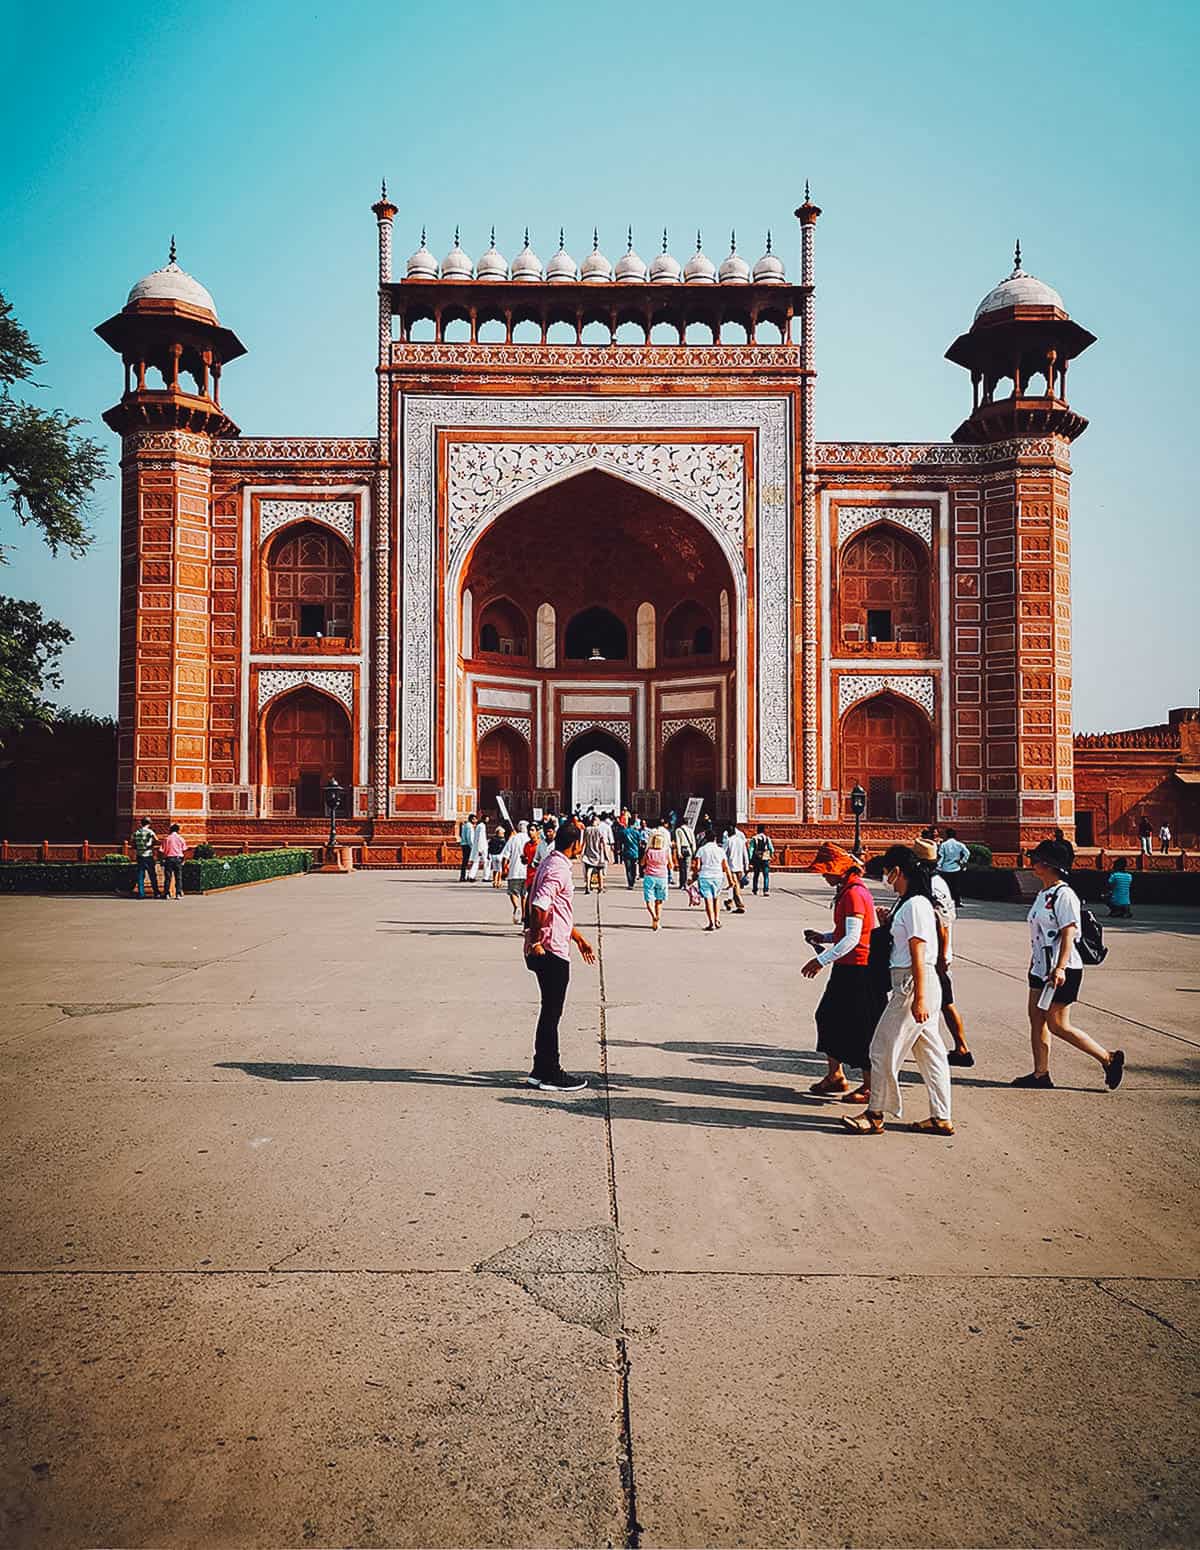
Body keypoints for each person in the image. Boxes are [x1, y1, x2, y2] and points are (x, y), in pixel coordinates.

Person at [843, 845, 954, 1136]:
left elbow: (919, 949)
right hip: (918, 981)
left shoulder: (915, 904)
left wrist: (917, 997)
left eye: (887, 870)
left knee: (881, 1048)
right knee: (931, 1053)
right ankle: (941, 1116)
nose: (884, 876)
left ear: (898, 871)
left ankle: (875, 1113)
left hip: (912, 982)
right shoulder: (910, 903)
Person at [1014, 839, 1125, 1090]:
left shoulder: (1064, 895)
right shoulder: (1044, 893)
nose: (1033, 862)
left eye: (1037, 859)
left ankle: (1108, 1058)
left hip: (1063, 968)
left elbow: (1068, 933)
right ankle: (1040, 1074)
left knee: (1058, 1025)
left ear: (1048, 864)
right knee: (1036, 1018)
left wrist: (1060, 967)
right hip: (1041, 967)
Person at [802, 843, 883, 1104]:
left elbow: (852, 938)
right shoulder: (848, 890)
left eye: (826, 871)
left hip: (858, 969)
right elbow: (845, 934)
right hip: (848, 966)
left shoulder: (854, 894)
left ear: (838, 870)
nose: (824, 876)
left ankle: (869, 1086)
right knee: (828, 1016)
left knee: (861, 1026)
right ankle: (835, 1075)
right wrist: (823, 937)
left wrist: (820, 960)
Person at [523, 820, 596, 1092]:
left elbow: (555, 910)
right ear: (576, 844)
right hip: (550, 950)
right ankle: (550, 1073)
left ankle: (539, 1070)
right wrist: (537, 941)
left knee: (549, 1011)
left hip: (553, 943)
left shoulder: (550, 862)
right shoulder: (558, 870)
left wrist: (578, 938)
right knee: (552, 1012)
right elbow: (540, 905)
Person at [915, 838, 973, 1066]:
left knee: (943, 1002)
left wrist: (942, 956)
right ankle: (959, 1047)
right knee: (942, 1002)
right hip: (934, 952)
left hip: (936, 954)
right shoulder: (932, 880)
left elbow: (943, 925)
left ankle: (961, 1047)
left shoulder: (934, 885)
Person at [692, 828, 736, 931]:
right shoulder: (720, 850)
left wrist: (693, 877)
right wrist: (730, 880)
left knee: (708, 900)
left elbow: (697, 867)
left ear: (705, 839)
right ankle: (716, 920)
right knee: (716, 898)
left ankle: (711, 923)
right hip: (718, 876)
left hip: (705, 876)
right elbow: (725, 866)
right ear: (715, 839)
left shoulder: (701, 850)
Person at [641, 824, 674, 930]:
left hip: (649, 877)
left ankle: (654, 917)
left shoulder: (649, 851)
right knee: (659, 901)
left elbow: (642, 863)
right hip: (662, 877)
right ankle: (657, 921)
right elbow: (671, 865)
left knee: (648, 901)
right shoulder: (666, 852)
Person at [500, 821, 531, 924]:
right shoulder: (530, 840)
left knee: (513, 892)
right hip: (526, 871)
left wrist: (504, 868)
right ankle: (524, 915)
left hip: (514, 870)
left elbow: (505, 855)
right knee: (524, 894)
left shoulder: (513, 839)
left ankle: (516, 907)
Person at [935, 827, 970, 906]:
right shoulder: (959, 844)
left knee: (946, 886)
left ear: (947, 835)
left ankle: (947, 901)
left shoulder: (944, 844)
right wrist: (962, 861)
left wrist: (938, 866)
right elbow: (967, 853)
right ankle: (957, 901)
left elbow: (941, 856)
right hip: (956, 867)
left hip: (945, 868)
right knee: (956, 886)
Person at [131, 817, 161, 899]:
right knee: (152, 875)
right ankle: (156, 892)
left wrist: (138, 847)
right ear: (149, 823)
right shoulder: (150, 832)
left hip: (139, 855)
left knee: (140, 875)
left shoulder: (136, 832)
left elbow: (132, 843)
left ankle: (141, 893)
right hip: (148, 855)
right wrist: (150, 846)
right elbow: (157, 840)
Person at [582, 814, 610, 893]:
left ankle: (587, 886)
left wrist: (581, 852)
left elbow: (584, 842)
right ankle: (600, 887)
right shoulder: (600, 830)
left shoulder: (587, 829)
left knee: (589, 870)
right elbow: (603, 843)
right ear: (597, 822)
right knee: (600, 871)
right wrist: (606, 854)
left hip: (588, 853)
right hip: (598, 853)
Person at [159, 823, 187, 900]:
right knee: (178, 877)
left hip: (169, 859)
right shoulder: (181, 839)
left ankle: (167, 894)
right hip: (178, 859)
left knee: (168, 877)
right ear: (178, 830)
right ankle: (178, 893)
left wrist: (161, 860)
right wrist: (183, 860)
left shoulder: (167, 839)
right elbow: (184, 850)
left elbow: (161, 851)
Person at [750, 825, 775, 896]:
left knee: (756, 874)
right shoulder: (767, 838)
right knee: (766, 875)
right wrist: (771, 855)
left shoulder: (754, 838)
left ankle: (755, 890)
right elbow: (771, 848)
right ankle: (765, 890)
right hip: (765, 858)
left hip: (756, 858)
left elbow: (751, 850)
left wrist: (750, 859)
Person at [673, 815, 697, 889]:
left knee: (681, 868)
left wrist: (679, 852)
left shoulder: (678, 830)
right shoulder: (690, 830)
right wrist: (694, 851)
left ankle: (682, 883)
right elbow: (693, 841)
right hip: (689, 849)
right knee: (687, 867)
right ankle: (686, 884)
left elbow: (678, 842)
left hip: (682, 849)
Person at [621, 818, 643, 889]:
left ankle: (630, 883)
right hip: (635, 852)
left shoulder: (624, 831)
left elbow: (621, 841)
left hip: (626, 852)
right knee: (634, 868)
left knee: (628, 869)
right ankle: (633, 881)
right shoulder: (636, 832)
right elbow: (640, 842)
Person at [466, 813, 488, 880]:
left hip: (479, 846)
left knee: (476, 862)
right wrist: (480, 849)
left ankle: (471, 876)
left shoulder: (479, 826)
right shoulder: (482, 826)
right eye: (487, 819)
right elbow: (481, 838)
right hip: (482, 847)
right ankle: (485, 877)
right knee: (486, 862)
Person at [458, 814, 475, 881]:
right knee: (470, 861)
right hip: (468, 845)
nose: (475, 820)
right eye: (474, 819)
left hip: (464, 844)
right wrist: (472, 846)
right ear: (471, 819)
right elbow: (469, 837)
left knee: (465, 861)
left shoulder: (465, 825)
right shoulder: (469, 826)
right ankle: (469, 876)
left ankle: (463, 876)